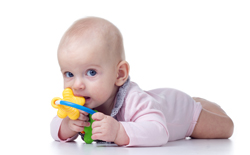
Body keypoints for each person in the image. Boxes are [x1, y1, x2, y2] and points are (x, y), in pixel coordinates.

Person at [50, 17, 234, 146]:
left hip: (182, 113)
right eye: (69, 74)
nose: (77, 85)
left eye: (91, 72)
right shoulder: (79, 105)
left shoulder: (133, 100)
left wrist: (118, 131)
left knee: (226, 128)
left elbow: (159, 131)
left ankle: (200, 103)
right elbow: (54, 128)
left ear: (119, 74)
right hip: (158, 99)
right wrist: (67, 127)